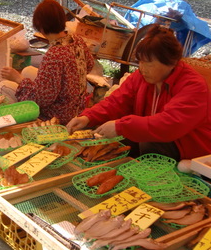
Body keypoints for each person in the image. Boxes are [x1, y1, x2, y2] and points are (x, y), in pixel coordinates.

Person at [67, 24, 211, 162]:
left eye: (149, 63)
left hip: (189, 148)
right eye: (140, 62)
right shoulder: (141, 76)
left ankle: (153, 181)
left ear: (171, 62)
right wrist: (88, 117)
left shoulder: (193, 86)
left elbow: (169, 125)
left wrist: (121, 126)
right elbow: (117, 101)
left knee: (148, 143)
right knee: (105, 133)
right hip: (154, 136)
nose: (142, 68)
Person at [0, 0, 94, 125]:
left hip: (61, 115)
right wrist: (69, 80)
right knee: (27, 70)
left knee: (3, 86)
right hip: (77, 104)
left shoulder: (54, 55)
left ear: (41, 27)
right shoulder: (77, 40)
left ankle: (22, 125)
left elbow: (41, 99)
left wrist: (18, 79)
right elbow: (90, 65)